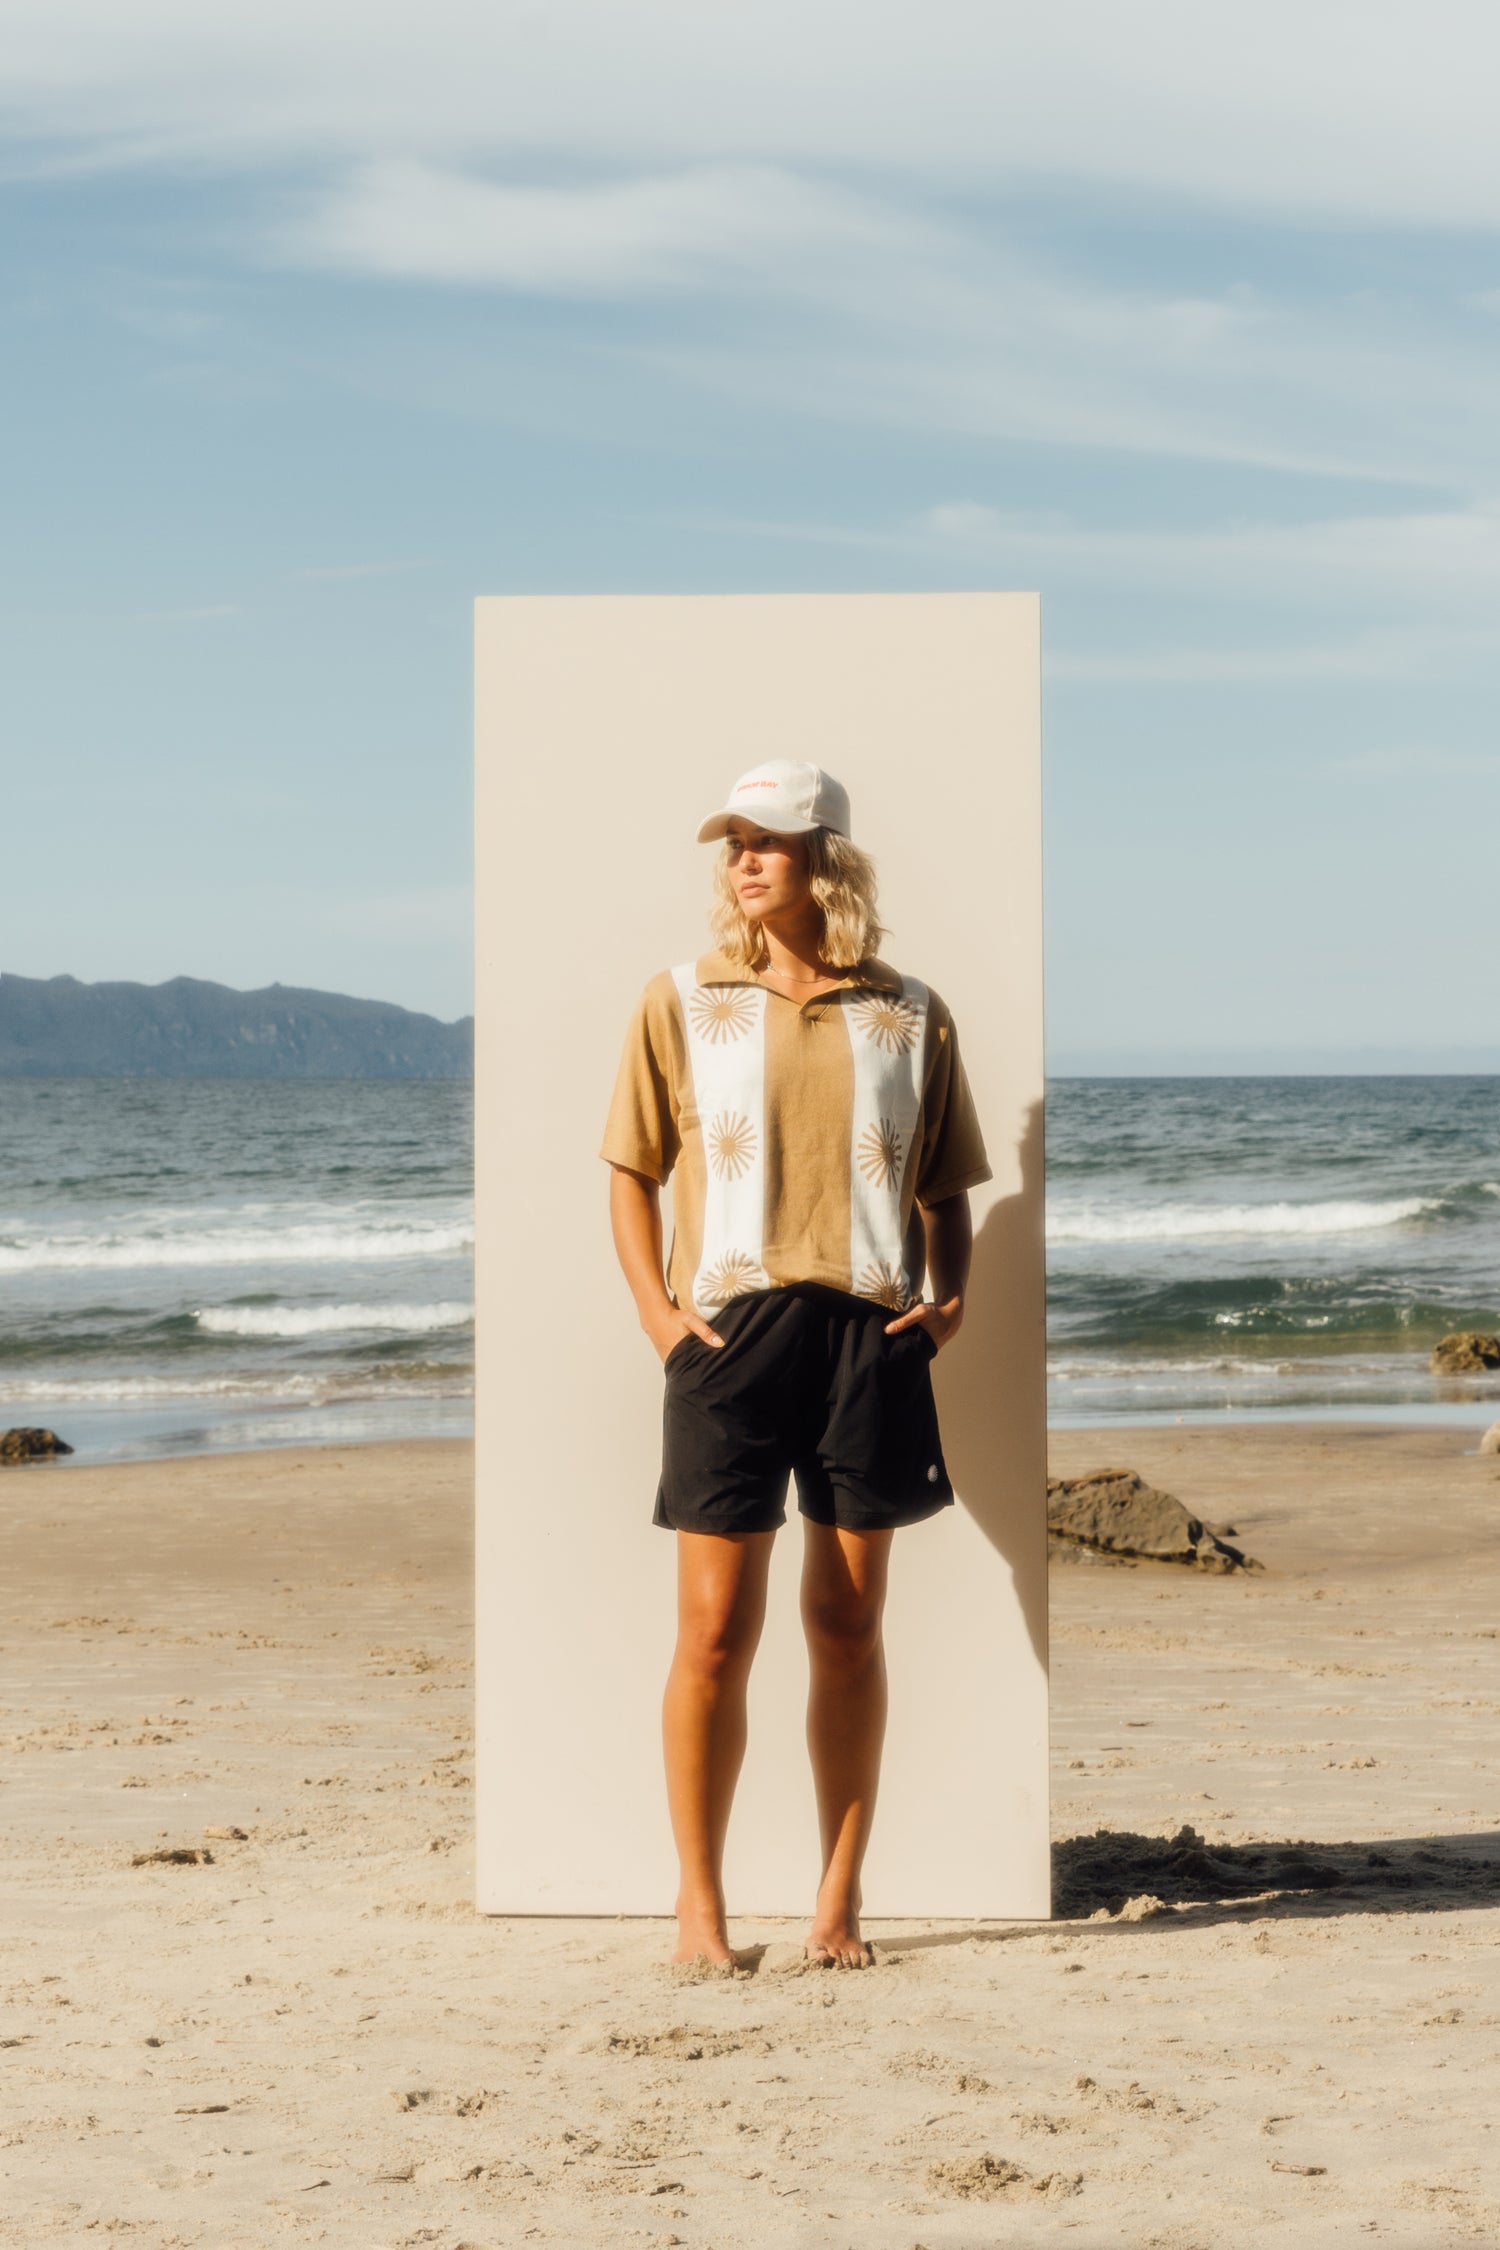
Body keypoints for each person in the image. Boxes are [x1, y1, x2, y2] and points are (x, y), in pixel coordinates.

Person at [600, 759, 990, 1969]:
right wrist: (661, 1318)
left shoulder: (911, 1010)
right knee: (714, 1632)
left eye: (770, 841)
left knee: (849, 1625)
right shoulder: (680, 997)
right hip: (730, 1336)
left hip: (867, 1342)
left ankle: (838, 1904)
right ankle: (700, 1913)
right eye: (734, 843)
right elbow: (631, 1167)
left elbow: (944, 1188)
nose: (745, 861)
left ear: (829, 858)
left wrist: (949, 1298)